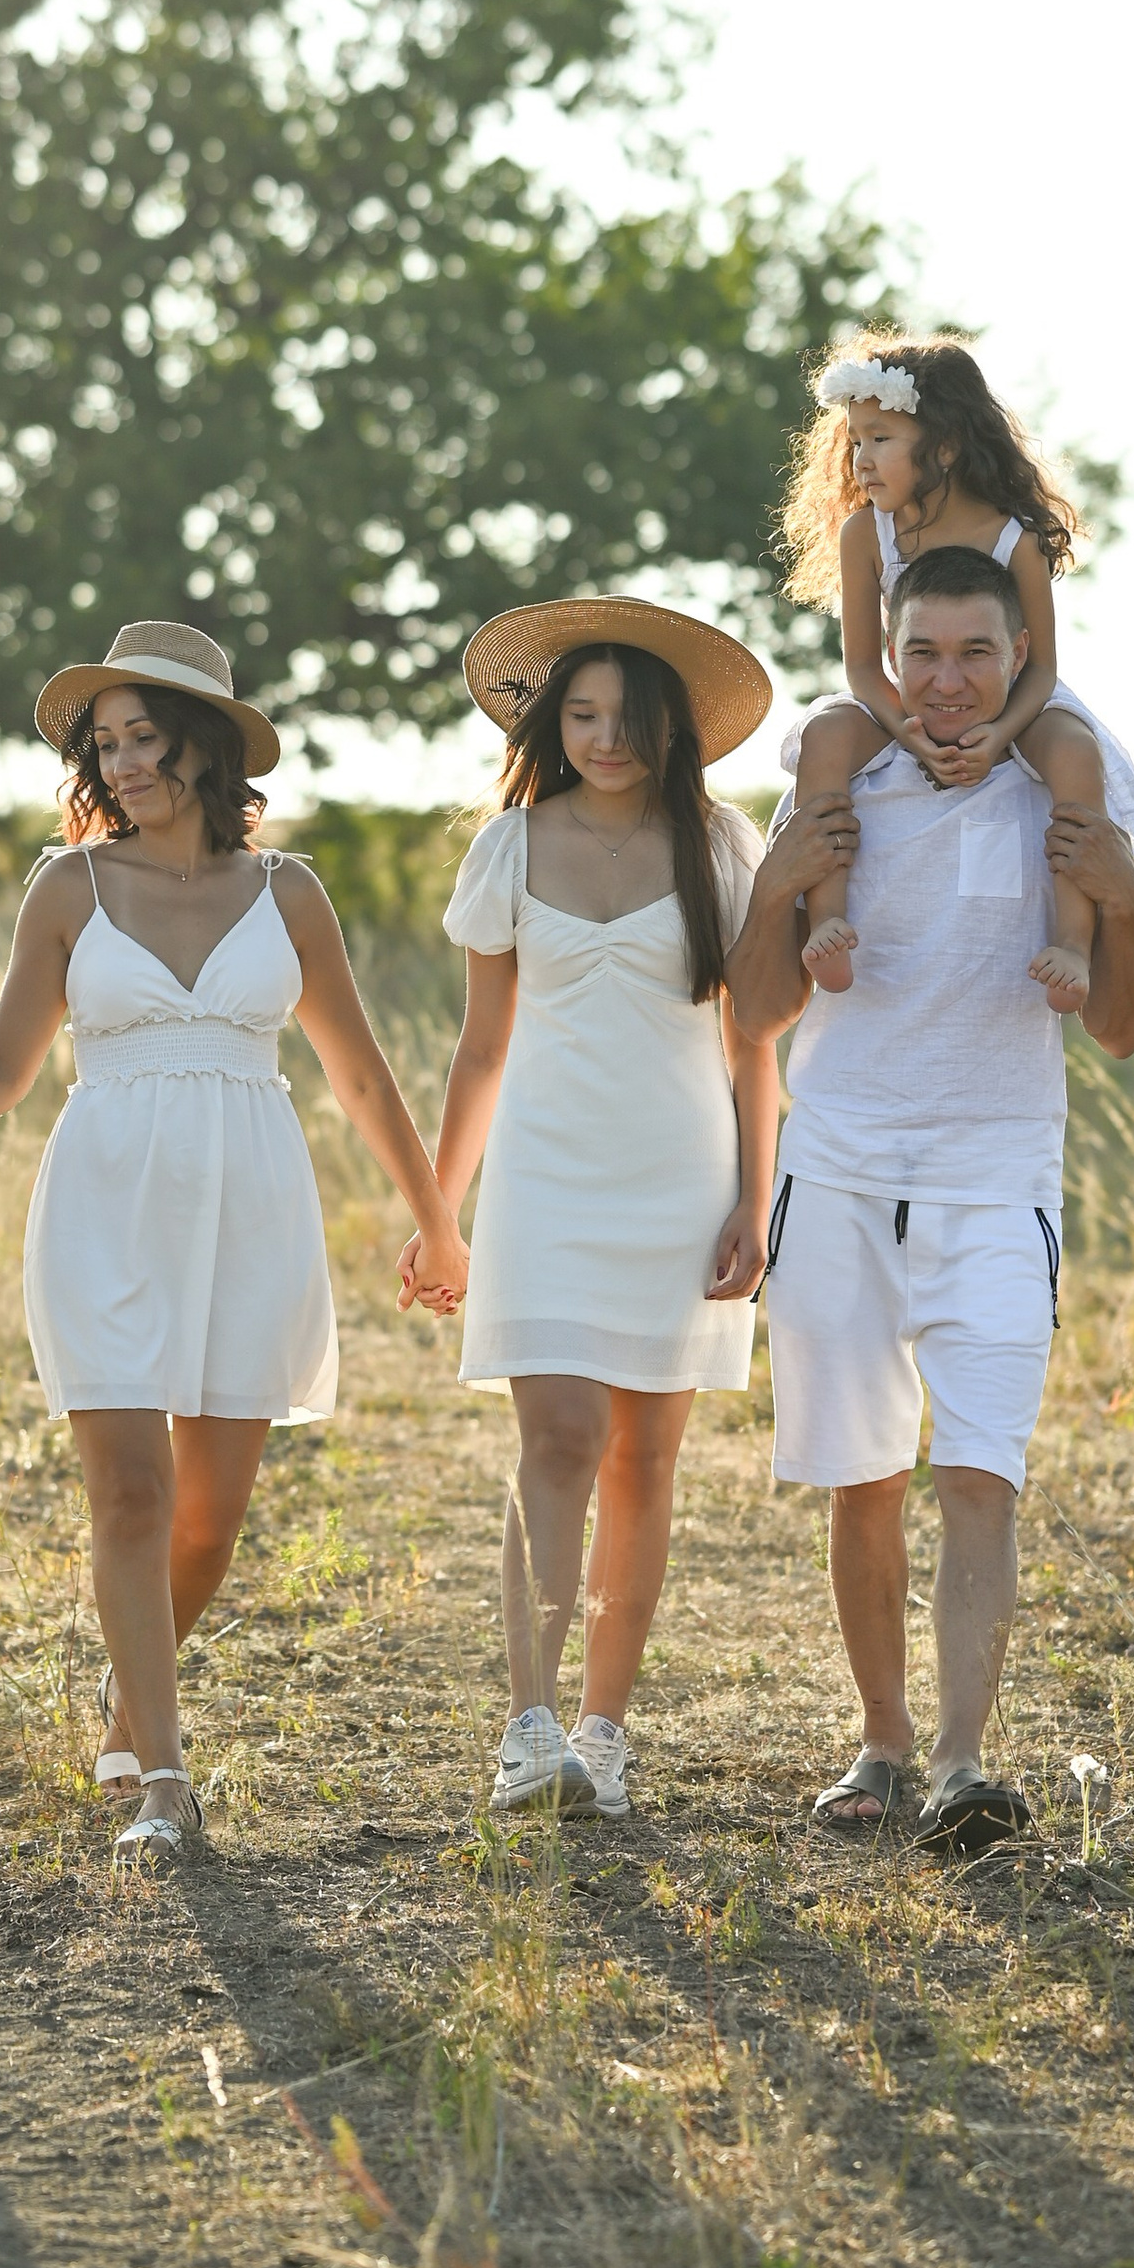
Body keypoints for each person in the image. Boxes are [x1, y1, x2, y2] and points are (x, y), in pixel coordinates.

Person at [0, 621, 469, 1871]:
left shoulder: (288, 892)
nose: (124, 763)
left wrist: (435, 1217)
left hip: (252, 1205)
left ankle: (127, 1693)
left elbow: (359, 1075)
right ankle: (165, 1779)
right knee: (130, 1496)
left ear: (204, 745)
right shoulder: (68, 886)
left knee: (209, 1521)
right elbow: (3, 1070)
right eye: (107, 743)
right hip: (107, 1205)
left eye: (145, 738)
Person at [727, 545, 1134, 1852]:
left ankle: (968, 1765)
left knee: (982, 1472)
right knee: (863, 1475)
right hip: (843, 1168)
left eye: (978, 652)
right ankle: (883, 1746)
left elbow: (1128, 1032)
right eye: (925, 653)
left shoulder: (1066, 788)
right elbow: (755, 1009)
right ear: (888, 654)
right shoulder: (840, 774)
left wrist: (1124, 913)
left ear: (1021, 654)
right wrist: (777, 887)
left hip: (996, 1171)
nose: (950, 681)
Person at [404, 601, 780, 1821]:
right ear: (550, 725)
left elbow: (753, 1043)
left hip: (682, 1178)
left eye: (627, 718)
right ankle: (527, 1728)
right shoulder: (508, 848)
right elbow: (479, 1049)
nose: (605, 738)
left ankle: (605, 1734)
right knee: (556, 1439)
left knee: (646, 1461)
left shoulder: (724, 846)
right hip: (545, 1177)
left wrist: (753, 1198)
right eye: (582, 715)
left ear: (671, 730)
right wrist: (440, 1211)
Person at [778, 335, 1134, 1012]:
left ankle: (1072, 940)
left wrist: (1003, 733)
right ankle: (827, 917)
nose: (861, 460)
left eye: (881, 439)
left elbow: (1039, 668)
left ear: (944, 445)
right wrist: (908, 731)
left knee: (1072, 750)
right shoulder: (866, 535)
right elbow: (864, 667)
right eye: (855, 442)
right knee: (826, 736)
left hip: (1008, 694)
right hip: (901, 694)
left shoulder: (1015, 539)